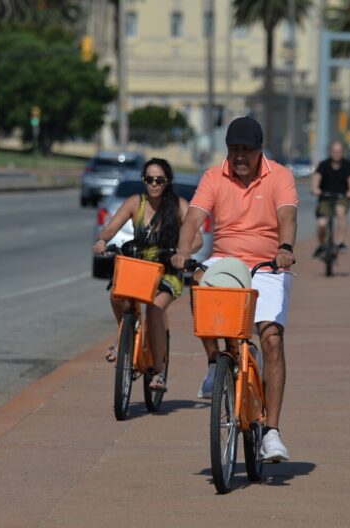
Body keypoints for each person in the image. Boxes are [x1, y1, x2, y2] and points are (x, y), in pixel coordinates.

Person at [171, 116, 298, 462]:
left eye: (246, 150)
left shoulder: (280, 176)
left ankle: (271, 431)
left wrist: (285, 249)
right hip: (226, 262)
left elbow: (288, 218)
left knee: (271, 337)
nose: (239, 156)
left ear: (260, 150)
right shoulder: (214, 176)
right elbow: (193, 219)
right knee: (199, 281)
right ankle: (216, 362)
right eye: (233, 150)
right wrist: (184, 252)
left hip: (270, 265)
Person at [93, 158, 201, 392]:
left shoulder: (179, 205)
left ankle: (160, 372)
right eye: (149, 179)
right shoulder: (135, 202)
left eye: (159, 180)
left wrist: (182, 254)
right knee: (116, 295)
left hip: (167, 271)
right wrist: (102, 240)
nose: (154, 184)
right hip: (140, 268)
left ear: (167, 181)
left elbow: (198, 239)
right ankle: (124, 339)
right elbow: (112, 228)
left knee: (154, 308)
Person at [311, 141, 350, 257]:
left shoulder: (348, 165)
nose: (337, 154)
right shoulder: (323, 165)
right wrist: (315, 189)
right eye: (335, 151)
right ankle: (321, 245)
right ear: (330, 152)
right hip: (325, 197)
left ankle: (340, 242)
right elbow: (316, 179)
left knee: (340, 211)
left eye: (339, 151)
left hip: (342, 197)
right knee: (322, 223)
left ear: (343, 152)